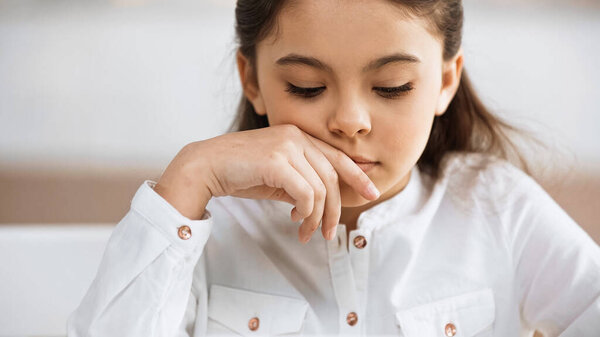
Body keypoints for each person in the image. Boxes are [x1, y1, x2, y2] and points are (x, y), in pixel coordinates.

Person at [67, 0, 600, 336]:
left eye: (393, 86)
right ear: (250, 79)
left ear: (444, 81)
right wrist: (187, 177)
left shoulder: (495, 207)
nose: (349, 122)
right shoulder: (204, 228)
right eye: (306, 86)